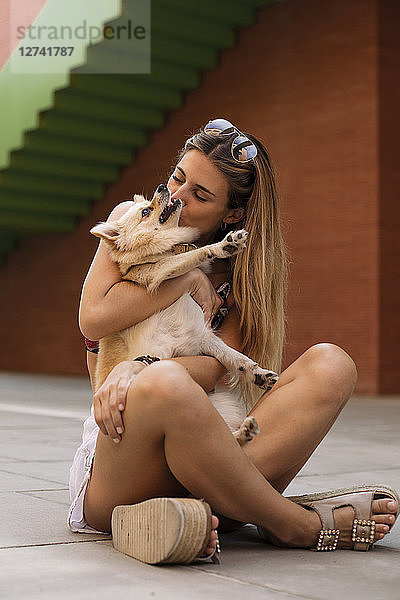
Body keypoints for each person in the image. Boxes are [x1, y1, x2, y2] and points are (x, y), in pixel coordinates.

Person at [68, 118, 398, 561]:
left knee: (332, 364)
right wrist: (184, 277)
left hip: (205, 456)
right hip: (125, 462)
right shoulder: (130, 224)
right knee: (165, 383)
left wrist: (141, 363)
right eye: (177, 178)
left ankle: (189, 517)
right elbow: (94, 319)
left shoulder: (242, 278)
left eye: (201, 195)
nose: (178, 197)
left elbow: (211, 367)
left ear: (234, 215)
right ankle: (292, 523)